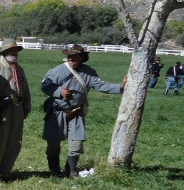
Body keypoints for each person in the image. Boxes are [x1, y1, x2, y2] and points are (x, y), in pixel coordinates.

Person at [41, 45, 126, 178]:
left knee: (76, 144)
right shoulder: (58, 70)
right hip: (57, 112)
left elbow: (101, 85)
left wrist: (120, 88)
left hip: (76, 113)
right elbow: (45, 85)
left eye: (74, 56)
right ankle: (54, 171)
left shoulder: (89, 72)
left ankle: (71, 170)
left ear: (82, 58)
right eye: (69, 55)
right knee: (53, 144)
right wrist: (59, 91)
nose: (70, 58)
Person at [0, 38, 31, 180]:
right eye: (11, 50)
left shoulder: (19, 69)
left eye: (15, 50)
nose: (14, 53)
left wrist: (26, 107)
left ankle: (5, 172)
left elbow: (25, 89)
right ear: (4, 52)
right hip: (2, 108)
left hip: (17, 109)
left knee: (14, 141)